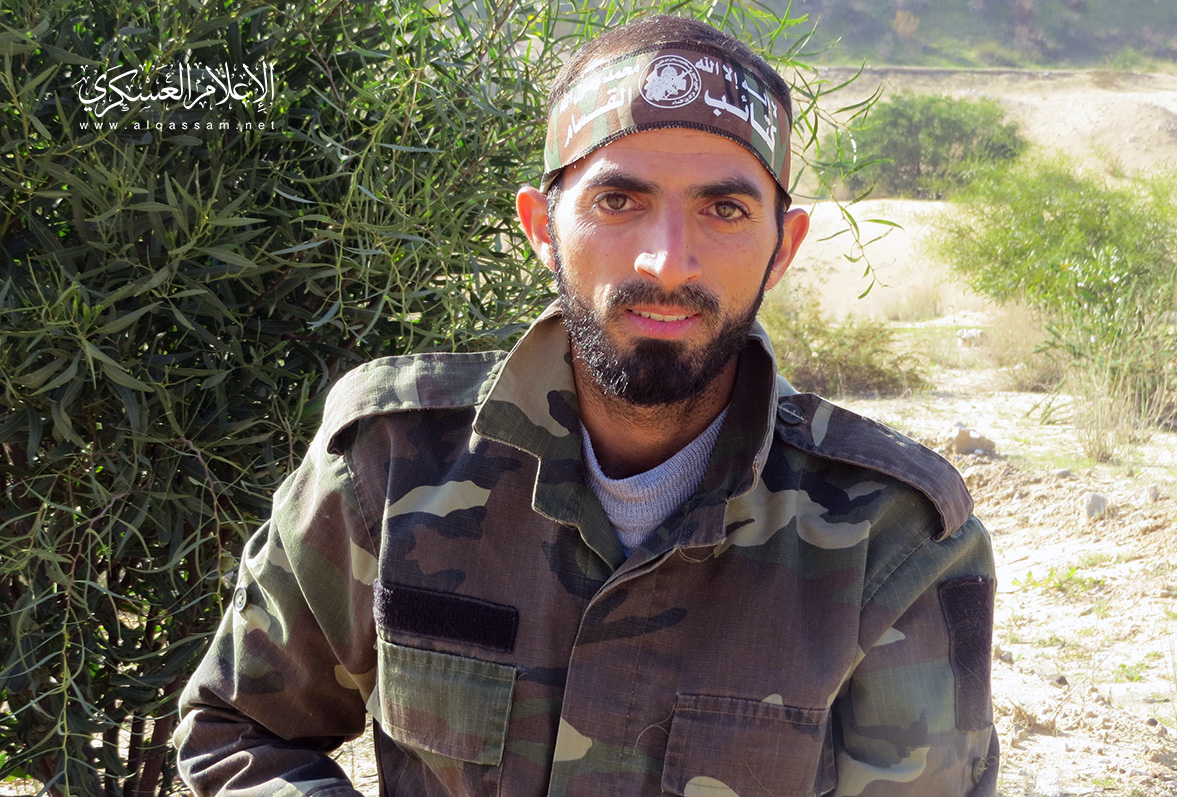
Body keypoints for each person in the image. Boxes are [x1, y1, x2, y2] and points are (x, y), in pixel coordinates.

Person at [175, 14, 998, 796]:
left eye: (723, 209)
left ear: (782, 247)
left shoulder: (891, 537)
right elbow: (241, 727)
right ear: (542, 227)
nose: (666, 262)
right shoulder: (391, 464)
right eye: (618, 201)